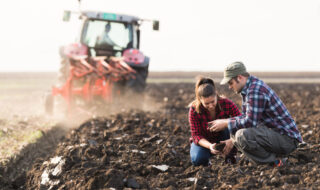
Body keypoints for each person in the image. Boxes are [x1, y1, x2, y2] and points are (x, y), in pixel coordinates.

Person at [210, 62, 302, 166]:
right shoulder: (249, 88)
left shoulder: (255, 90)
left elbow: (250, 122)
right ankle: (266, 158)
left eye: (230, 83)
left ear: (239, 77)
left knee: (241, 135)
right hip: (275, 135)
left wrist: (226, 123)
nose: (230, 87)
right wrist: (231, 139)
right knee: (235, 131)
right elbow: (246, 117)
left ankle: (276, 162)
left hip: (287, 140)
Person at [188, 77, 241, 166]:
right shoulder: (194, 110)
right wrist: (210, 146)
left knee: (230, 125)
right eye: (206, 104)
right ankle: (207, 162)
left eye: (213, 102)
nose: (211, 105)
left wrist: (232, 140)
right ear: (200, 100)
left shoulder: (226, 104)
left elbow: (241, 120)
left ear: (216, 95)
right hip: (205, 141)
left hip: (224, 137)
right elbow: (196, 135)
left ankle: (230, 157)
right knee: (198, 160)